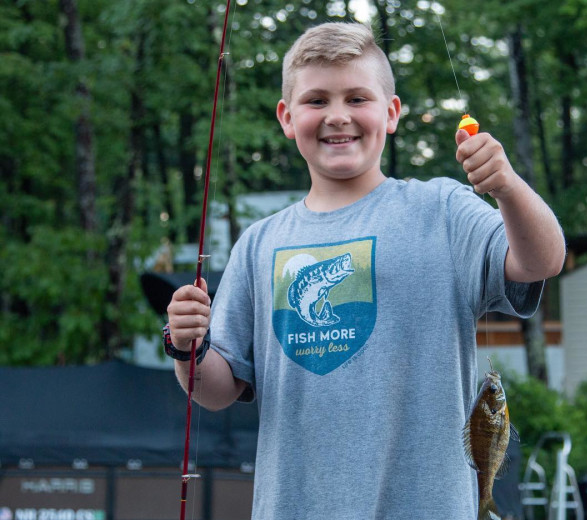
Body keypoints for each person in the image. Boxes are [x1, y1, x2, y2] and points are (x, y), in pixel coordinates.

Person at [165, 21, 565, 519]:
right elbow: (217, 391)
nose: (337, 116)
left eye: (357, 98)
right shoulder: (259, 244)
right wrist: (185, 347)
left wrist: (506, 186)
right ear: (287, 118)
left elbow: (542, 260)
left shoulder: (442, 210)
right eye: (317, 101)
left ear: (391, 113)